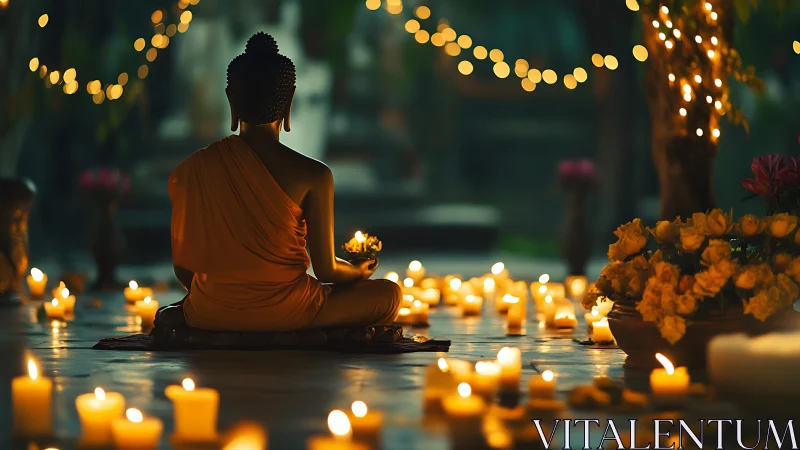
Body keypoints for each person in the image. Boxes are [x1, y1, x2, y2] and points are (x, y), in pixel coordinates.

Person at [168, 32, 401, 332]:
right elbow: (327, 270)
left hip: (210, 313)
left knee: (178, 311)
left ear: (231, 100)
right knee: (389, 295)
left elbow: (183, 268)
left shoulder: (192, 170)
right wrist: (357, 271)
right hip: (289, 311)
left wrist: (222, 300)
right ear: (289, 101)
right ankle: (293, 333)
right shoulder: (314, 175)